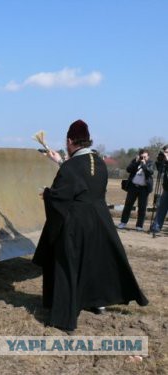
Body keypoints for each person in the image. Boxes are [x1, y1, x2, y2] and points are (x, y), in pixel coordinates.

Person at [33, 119, 148, 332]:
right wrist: (61, 162)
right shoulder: (100, 162)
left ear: (69, 141)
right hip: (100, 221)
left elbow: (63, 195)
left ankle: (64, 316)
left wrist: (47, 193)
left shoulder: (71, 167)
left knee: (68, 265)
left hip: (76, 224)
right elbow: (82, 178)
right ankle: (97, 301)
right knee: (93, 263)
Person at [118, 149, 155, 231]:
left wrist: (144, 165)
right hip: (133, 187)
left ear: (148, 156)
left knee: (142, 207)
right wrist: (136, 161)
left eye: (145, 157)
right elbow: (128, 169)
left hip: (144, 189)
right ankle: (123, 222)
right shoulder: (136, 161)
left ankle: (139, 225)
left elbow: (150, 172)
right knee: (128, 205)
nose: (143, 158)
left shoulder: (150, 163)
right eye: (142, 156)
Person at [150, 145, 168, 233]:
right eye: (165, 152)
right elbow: (161, 171)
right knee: (161, 208)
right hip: (167, 188)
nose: (165, 154)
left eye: (167, 152)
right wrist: (160, 161)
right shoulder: (165, 160)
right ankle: (156, 226)